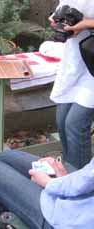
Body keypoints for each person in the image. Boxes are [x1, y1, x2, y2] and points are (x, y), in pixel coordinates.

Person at [0, 150, 94, 228]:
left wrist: (50, 183)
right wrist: (64, 178)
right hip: (85, 195)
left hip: (73, 219)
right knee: (6, 156)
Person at [48, 0, 94, 169]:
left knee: (75, 123)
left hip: (92, 67)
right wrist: (57, 17)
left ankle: (81, 187)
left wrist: (85, 24)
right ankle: (69, 174)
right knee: (62, 121)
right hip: (75, 60)